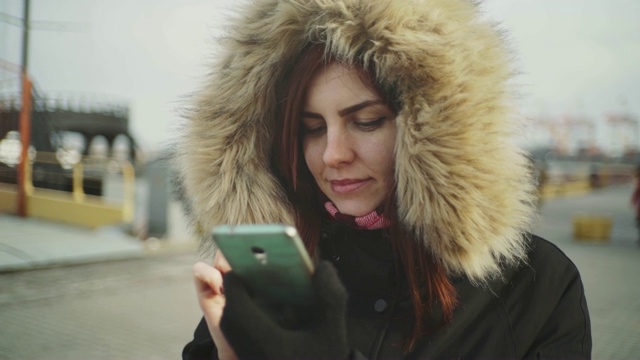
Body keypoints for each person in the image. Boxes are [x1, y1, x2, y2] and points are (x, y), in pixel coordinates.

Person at [175, 0, 591, 358]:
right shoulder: (279, 272)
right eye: (312, 128)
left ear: (437, 131)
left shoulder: (539, 288)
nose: (334, 154)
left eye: (367, 121)